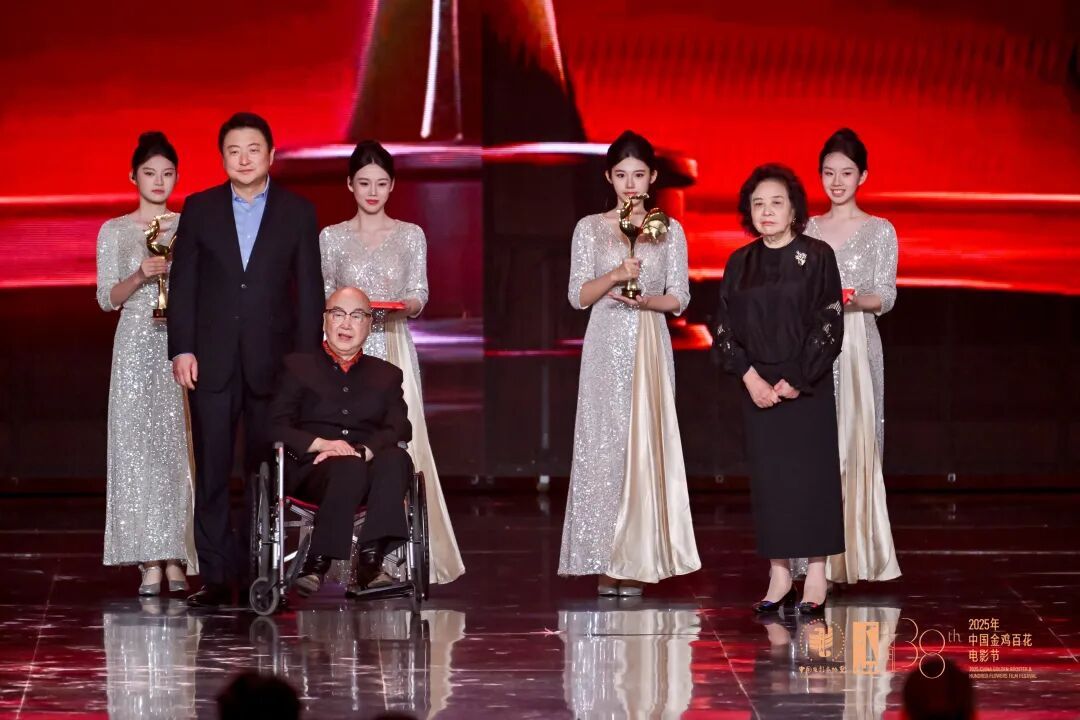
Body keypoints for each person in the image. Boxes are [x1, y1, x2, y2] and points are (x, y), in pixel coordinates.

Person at [168, 112, 324, 608]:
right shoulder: (200, 208)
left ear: (271, 155)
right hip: (211, 362)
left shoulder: (297, 212)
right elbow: (184, 285)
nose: (243, 158)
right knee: (213, 470)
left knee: (266, 473)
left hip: (274, 366)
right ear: (222, 158)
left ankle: (263, 574)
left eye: (253, 149)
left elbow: (310, 294)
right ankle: (217, 577)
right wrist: (182, 347)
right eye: (233, 151)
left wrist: (304, 367)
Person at [558, 130, 701, 597]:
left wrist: (646, 302)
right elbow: (578, 296)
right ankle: (604, 558)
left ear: (653, 177)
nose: (630, 184)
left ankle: (638, 558)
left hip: (649, 342)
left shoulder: (669, 229)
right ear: (609, 177)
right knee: (604, 444)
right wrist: (616, 274)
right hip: (605, 342)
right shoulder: (589, 228)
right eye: (621, 175)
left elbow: (680, 297)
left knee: (645, 443)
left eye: (639, 175)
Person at [319, 140, 464, 585]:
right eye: (364, 183)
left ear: (392, 186)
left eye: (381, 183)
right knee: (346, 441)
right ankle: (344, 554)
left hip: (393, 342)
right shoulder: (331, 237)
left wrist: (404, 305)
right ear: (349, 184)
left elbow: (420, 293)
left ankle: (395, 556)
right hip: (345, 348)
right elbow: (324, 296)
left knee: (400, 443)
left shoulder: (409, 234)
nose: (372, 192)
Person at [712, 163, 844, 615]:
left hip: (806, 384)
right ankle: (780, 573)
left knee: (812, 477)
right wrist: (750, 377)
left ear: (793, 210)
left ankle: (817, 573)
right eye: (758, 204)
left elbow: (829, 321)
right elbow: (724, 327)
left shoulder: (818, 256)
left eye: (776, 203)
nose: (766, 211)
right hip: (758, 386)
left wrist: (798, 379)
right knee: (771, 481)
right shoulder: (740, 262)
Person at [796, 128, 901, 585]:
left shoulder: (880, 230)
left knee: (856, 441)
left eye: (846, 173)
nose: (836, 182)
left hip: (858, 341)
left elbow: (887, 296)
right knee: (815, 448)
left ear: (863, 176)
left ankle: (853, 556)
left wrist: (853, 300)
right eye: (828, 173)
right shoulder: (806, 229)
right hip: (814, 345)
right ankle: (814, 562)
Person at [96, 131, 197, 595]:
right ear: (133, 176)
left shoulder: (188, 227)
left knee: (175, 446)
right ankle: (147, 558)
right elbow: (106, 298)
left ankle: (176, 553)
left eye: (168, 173)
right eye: (150, 173)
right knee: (136, 449)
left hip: (179, 343)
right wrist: (141, 273)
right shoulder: (115, 231)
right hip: (135, 342)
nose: (159, 181)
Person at [268, 287, 413, 596]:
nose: (346, 324)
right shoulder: (298, 366)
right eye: (338, 314)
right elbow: (274, 425)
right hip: (312, 470)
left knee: (396, 458)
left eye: (357, 316)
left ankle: (371, 561)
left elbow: (400, 426)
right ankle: (317, 563)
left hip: (368, 468)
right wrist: (321, 444)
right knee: (347, 466)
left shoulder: (386, 374)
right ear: (325, 320)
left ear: (369, 324)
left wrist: (365, 451)